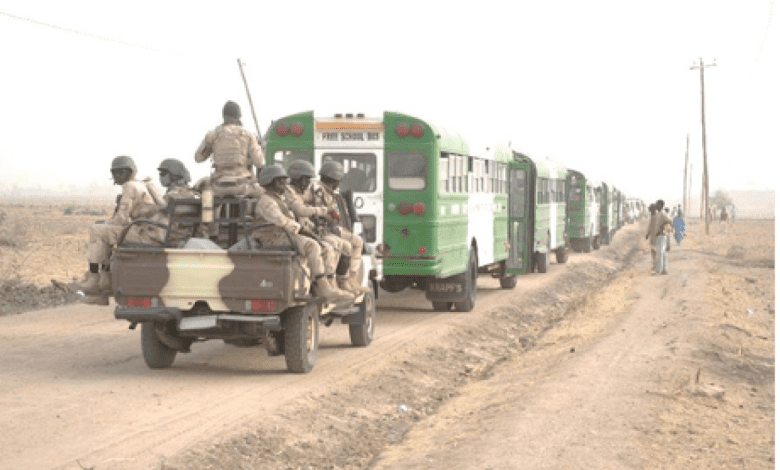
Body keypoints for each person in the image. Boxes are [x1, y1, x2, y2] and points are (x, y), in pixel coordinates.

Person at [252, 165, 352, 304]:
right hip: (272, 238)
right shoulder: (267, 201)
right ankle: (324, 288)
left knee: (324, 246)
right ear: (270, 182)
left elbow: (291, 218)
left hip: (283, 234)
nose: (284, 185)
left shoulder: (278, 199)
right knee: (312, 246)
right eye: (280, 182)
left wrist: (309, 229)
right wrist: (302, 230)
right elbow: (283, 221)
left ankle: (324, 286)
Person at [64, 156, 161, 294]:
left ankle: (94, 278)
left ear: (129, 172)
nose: (116, 176)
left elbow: (121, 219)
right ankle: (105, 279)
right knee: (103, 230)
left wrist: (106, 224)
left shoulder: (130, 186)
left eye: (119, 173)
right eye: (114, 173)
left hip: (144, 233)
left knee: (96, 230)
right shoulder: (141, 185)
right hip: (146, 230)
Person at [284, 160, 368, 296]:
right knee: (336, 244)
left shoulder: (326, 191)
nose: (307, 184)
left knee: (353, 243)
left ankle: (347, 280)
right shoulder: (314, 190)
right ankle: (329, 283)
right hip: (318, 228)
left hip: (323, 227)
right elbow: (302, 209)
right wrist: (323, 212)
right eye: (305, 180)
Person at [312, 160, 371, 295]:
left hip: (331, 227)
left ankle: (350, 279)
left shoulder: (328, 191)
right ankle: (343, 280)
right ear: (334, 180)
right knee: (348, 245)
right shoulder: (319, 191)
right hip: (324, 228)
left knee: (357, 241)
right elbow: (320, 214)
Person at [194, 100, 264, 197]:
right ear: (239, 117)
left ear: (223, 116)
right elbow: (259, 162)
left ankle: (209, 212)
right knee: (264, 196)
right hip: (242, 187)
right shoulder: (248, 134)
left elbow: (198, 158)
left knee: (205, 196)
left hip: (218, 187)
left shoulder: (213, 134)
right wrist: (260, 147)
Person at [646, 199, 672, 275]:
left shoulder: (663, 214)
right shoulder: (657, 214)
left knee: (660, 253)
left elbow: (669, 221)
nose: (656, 205)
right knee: (662, 253)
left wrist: (662, 227)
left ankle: (658, 271)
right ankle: (664, 269)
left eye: (658, 204)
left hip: (661, 236)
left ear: (661, 205)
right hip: (658, 236)